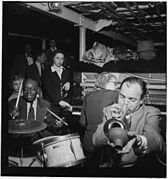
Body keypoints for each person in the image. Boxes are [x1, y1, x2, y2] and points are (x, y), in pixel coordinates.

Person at [92, 77, 164, 175]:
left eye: (132, 99)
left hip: (135, 170)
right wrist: (111, 120)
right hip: (109, 168)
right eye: (122, 96)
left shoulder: (151, 112)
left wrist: (138, 140)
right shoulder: (109, 110)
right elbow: (96, 141)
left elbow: (156, 139)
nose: (125, 102)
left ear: (142, 99)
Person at [79, 72, 119, 167]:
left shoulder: (87, 96)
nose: (117, 86)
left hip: (88, 145)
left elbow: (82, 123)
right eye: (115, 83)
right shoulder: (115, 95)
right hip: (106, 147)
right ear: (107, 83)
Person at [42, 50, 71, 117]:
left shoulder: (66, 71)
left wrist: (69, 84)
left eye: (62, 59)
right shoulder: (46, 72)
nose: (60, 60)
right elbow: (48, 90)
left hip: (64, 105)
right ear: (53, 58)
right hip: (52, 105)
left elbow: (70, 89)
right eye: (57, 58)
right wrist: (59, 101)